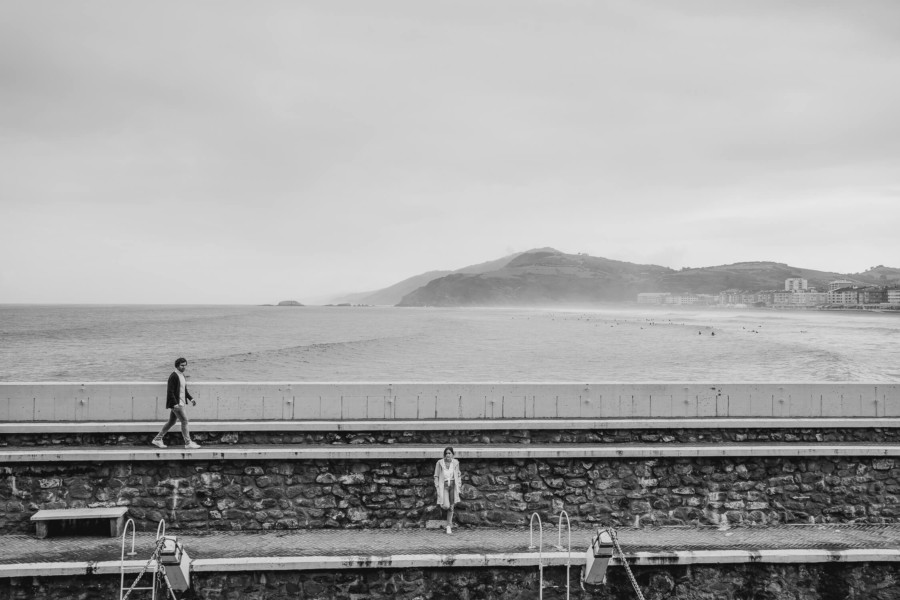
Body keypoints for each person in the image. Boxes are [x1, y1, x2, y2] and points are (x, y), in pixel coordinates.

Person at [151, 358, 200, 449]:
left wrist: (191, 399)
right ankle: (188, 443)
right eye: (182, 365)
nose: (184, 367)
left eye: (185, 365)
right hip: (176, 404)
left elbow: (183, 390)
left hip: (180, 403)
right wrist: (174, 404)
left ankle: (157, 439)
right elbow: (170, 392)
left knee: (171, 422)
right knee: (184, 421)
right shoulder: (173, 376)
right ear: (177, 366)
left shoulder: (182, 376)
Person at [433, 446, 462, 534]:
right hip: (444, 486)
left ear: (453, 454)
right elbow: (436, 476)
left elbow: (458, 475)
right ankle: (444, 508)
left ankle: (448, 526)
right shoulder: (440, 463)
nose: (447, 455)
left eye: (449, 453)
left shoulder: (456, 463)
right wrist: (437, 486)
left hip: (453, 486)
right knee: (446, 505)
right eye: (446, 453)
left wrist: (459, 484)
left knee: (452, 507)